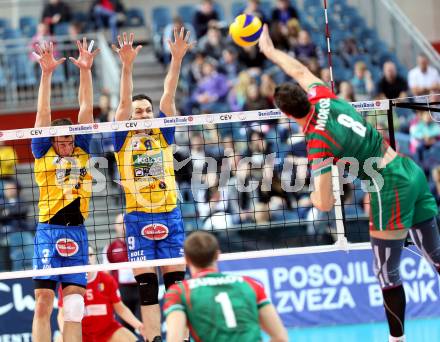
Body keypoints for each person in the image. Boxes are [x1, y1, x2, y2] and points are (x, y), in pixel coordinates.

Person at [258, 24, 440, 342]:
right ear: (305, 96)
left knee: (386, 273)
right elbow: (300, 69)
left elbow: (325, 203)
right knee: (436, 255)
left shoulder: (316, 142)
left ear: (286, 115)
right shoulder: (324, 97)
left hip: (388, 186)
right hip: (408, 170)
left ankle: (396, 340)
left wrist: (311, 192)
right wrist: (271, 52)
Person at [111, 30, 194, 341]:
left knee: (175, 287)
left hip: (169, 214)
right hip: (138, 218)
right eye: (139, 112)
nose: (144, 114)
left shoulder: (163, 135)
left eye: (147, 110)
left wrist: (176, 58)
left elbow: (168, 97)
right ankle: (153, 338)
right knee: (147, 289)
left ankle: (179, 337)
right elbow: (122, 103)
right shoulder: (122, 139)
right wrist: (127, 66)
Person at [31, 38, 100, 342]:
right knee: (44, 302)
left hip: (78, 232)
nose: (67, 143)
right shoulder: (42, 151)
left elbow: (86, 108)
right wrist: (46, 75)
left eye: (70, 139)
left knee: (74, 306)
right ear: (52, 141)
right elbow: (44, 112)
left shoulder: (82, 150)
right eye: (61, 139)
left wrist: (85, 70)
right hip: (49, 230)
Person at [164, 231, 288, 342]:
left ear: (186, 259)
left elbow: (175, 339)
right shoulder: (251, 284)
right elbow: (280, 337)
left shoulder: (178, 292)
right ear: (217, 255)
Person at [57, 246, 145, 342]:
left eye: (90, 255)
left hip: (108, 331)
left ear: (95, 257)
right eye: (83, 256)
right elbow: (61, 314)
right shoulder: (69, 283)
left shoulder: (106, 279)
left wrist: (140, 326)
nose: (87, 259)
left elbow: (121, 309)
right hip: (81, 333)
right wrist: (65, 332)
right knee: (60, 339)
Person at [102, 213, 141, 333]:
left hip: (141, 289)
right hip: (122, 292)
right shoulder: (110, 247)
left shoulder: (141, 244)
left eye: (126, 222)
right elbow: (105, 274)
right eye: (120, 223)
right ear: (115, 226)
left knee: (145, 326)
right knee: (124, 329)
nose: (123, 226)